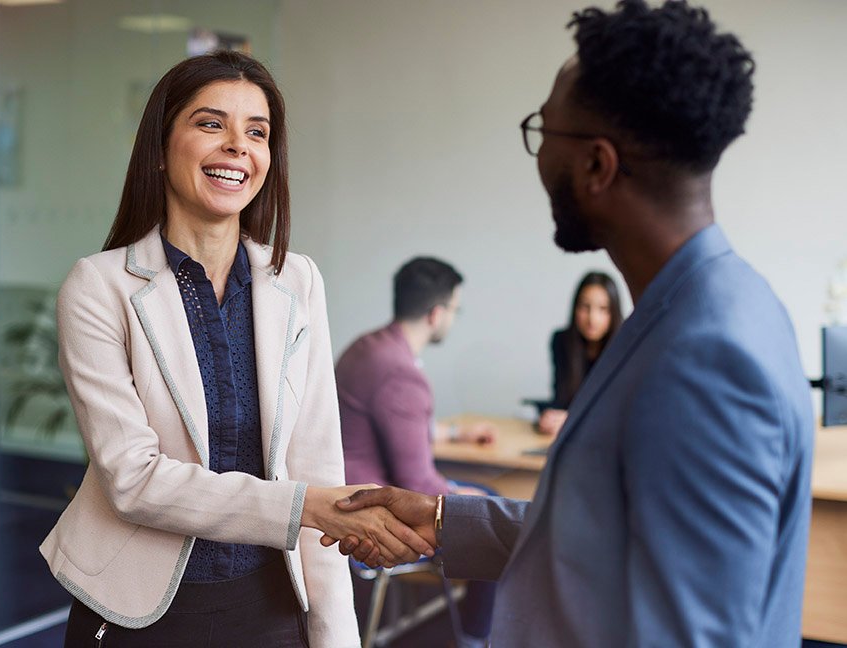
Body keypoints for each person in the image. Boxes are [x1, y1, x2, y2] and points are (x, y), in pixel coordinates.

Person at [326, 2, 815, 646]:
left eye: (543, 133)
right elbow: (600, 532)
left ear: (596, 165)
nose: (538, 159)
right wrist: (442, 519)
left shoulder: (707, 356)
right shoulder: (693, 307)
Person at [39, 51, 431, 648]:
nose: (237, 147)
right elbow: (133, 480)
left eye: (257, 132)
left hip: (271, 606)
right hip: (135, 611)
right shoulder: (99, 286)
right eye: (210, 123)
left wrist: (335, 634)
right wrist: (307, 508)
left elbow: (318, 464)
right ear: (161, 144)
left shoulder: (298, 281)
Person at [335, 257, 497, 647]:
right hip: (374, 506)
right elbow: (419, 484)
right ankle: (477, 638)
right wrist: (465, 499)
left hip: (347, 489)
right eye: (455, 310)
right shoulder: (402, 373)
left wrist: (456, 432)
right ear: (437, 313)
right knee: (492, 513)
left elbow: (398, 424)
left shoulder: (368, 346)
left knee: (481, 497)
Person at [538, 271, 622, 436]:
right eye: (585, 307)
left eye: (603, 309)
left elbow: (619, 412)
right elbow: (561, 399)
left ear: (614, 313)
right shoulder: (562, 341)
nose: (592, 318)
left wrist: (571, 421)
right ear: (575, 308)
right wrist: (551, 416)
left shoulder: (624, 347)